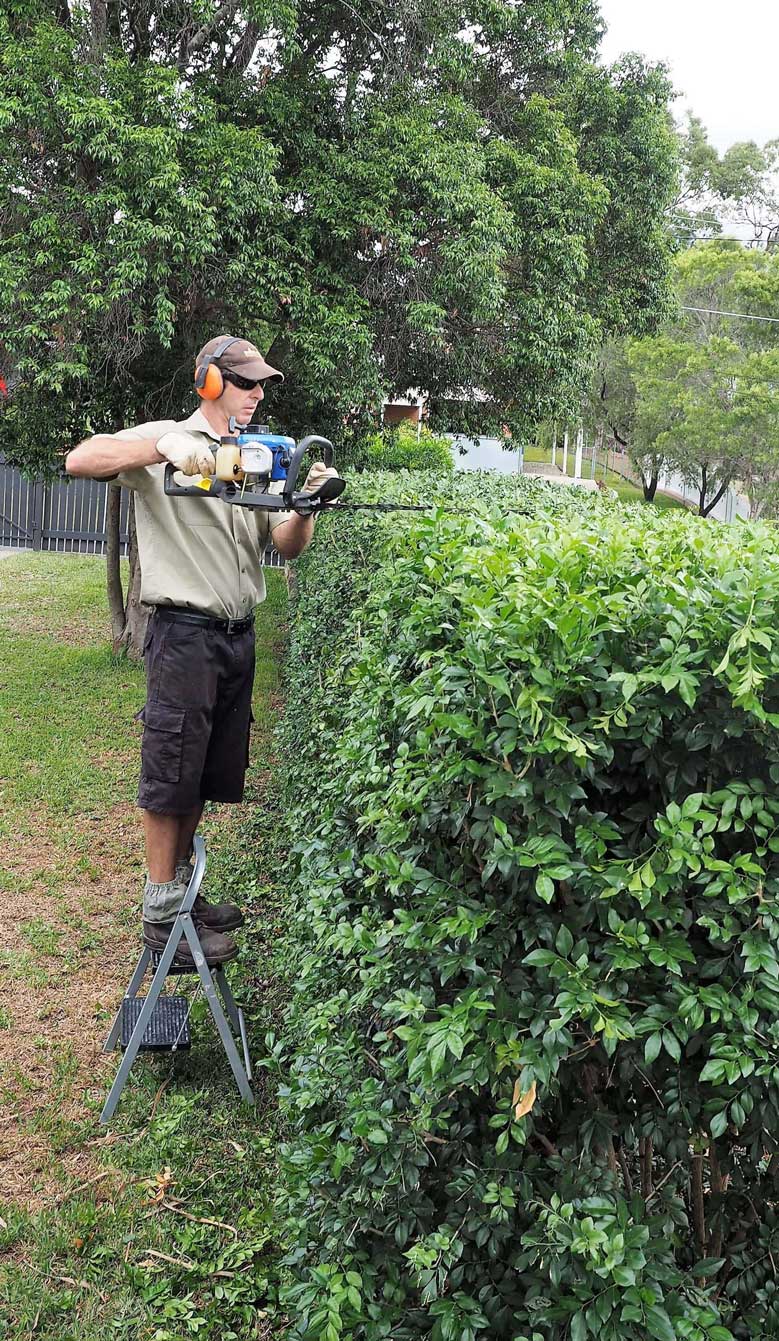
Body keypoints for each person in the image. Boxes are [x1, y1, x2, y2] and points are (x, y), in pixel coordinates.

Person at [65, 335, 337, 966]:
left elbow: (287, 543)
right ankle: (160, 921)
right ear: (210, 383)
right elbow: (82, 459)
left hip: (237, 635)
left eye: (261, 383)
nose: (257, 393)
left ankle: (184, 897)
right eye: (244, 383)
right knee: (170, 775)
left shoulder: (256, 455)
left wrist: (305, 503)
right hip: (185, 633)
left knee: (203, 775)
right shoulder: (168, 439)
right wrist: (163, 445)